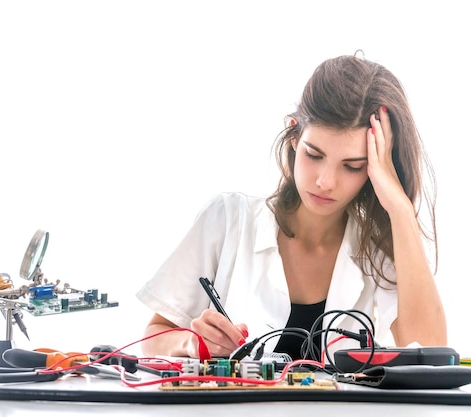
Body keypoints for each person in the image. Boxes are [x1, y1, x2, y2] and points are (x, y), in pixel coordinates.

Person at [136, 53, 447, 360]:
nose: (326, 181)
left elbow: (431, 350)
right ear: (295, 134)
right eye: (314, 154)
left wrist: (401, 209)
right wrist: (194, 343)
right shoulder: (227, 219)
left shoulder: (377, 248)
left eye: (352, 166)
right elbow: (153, 339)